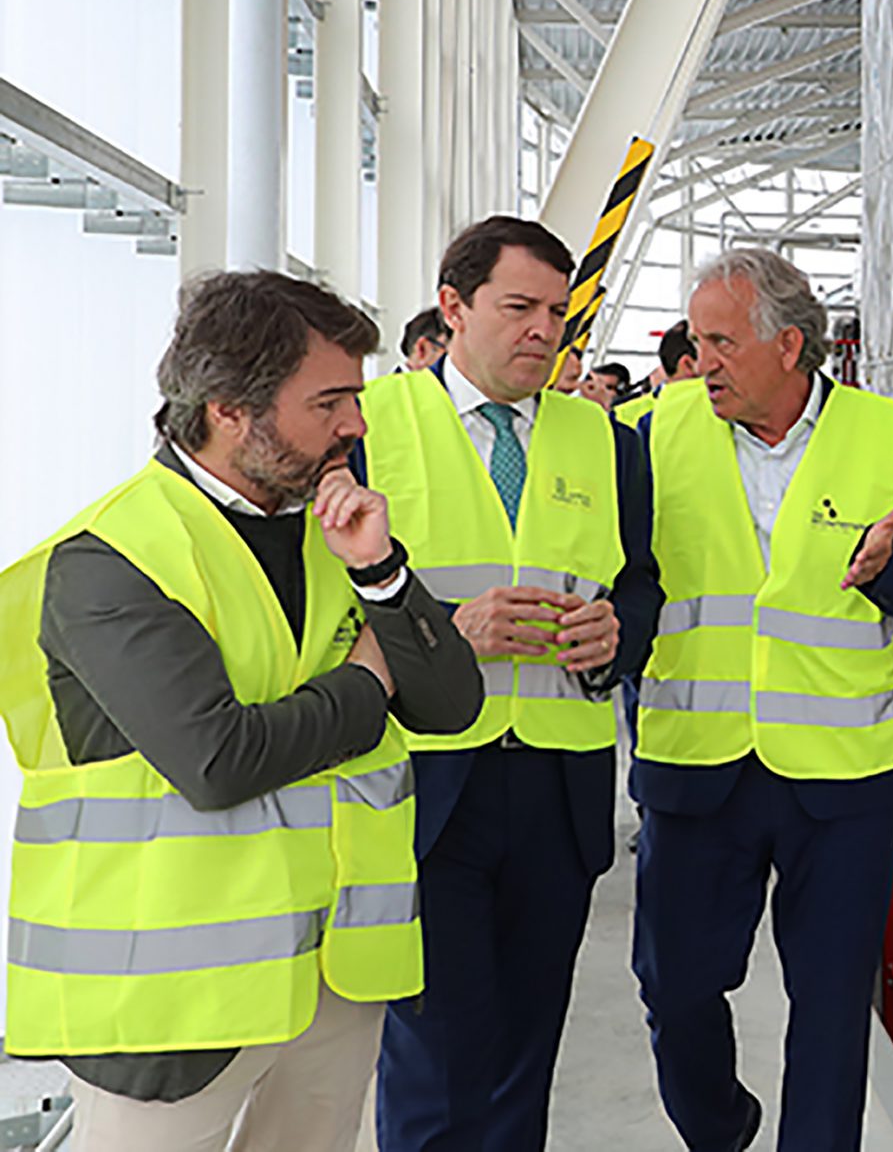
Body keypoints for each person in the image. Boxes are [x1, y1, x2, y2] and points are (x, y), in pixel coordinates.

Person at [0, 271, 482, 1151]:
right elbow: (219, 760)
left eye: (357, 397)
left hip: (334, 970)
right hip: (175, 1004)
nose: (357, 424)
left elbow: (452, 703)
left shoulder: (332, 525)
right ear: (229, 408)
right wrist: (368, 683)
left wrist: (381, 573)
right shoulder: (110, 559)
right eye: (329, 400)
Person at [633, 249, 893, 1152]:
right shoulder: (656, 434)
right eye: (697, 341)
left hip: (845, 776)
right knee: (675, 984)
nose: (703, 362)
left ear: (789, 344)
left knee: (832, 998)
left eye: (722, 341)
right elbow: (631, 579)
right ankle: (720, 1125)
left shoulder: (888, 433)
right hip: (699, 767)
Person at [362, 218, 662, 1152]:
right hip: (427, 785)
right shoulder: (373, 428)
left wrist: (618, 637)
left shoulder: (607, 441)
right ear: (453, 308)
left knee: (526, 1052)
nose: (544, 331)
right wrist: (450, 633)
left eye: (559, 313)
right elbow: (331, 607)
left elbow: (643, 583)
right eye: (519, 307)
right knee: (434, 1052)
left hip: (558, 787)